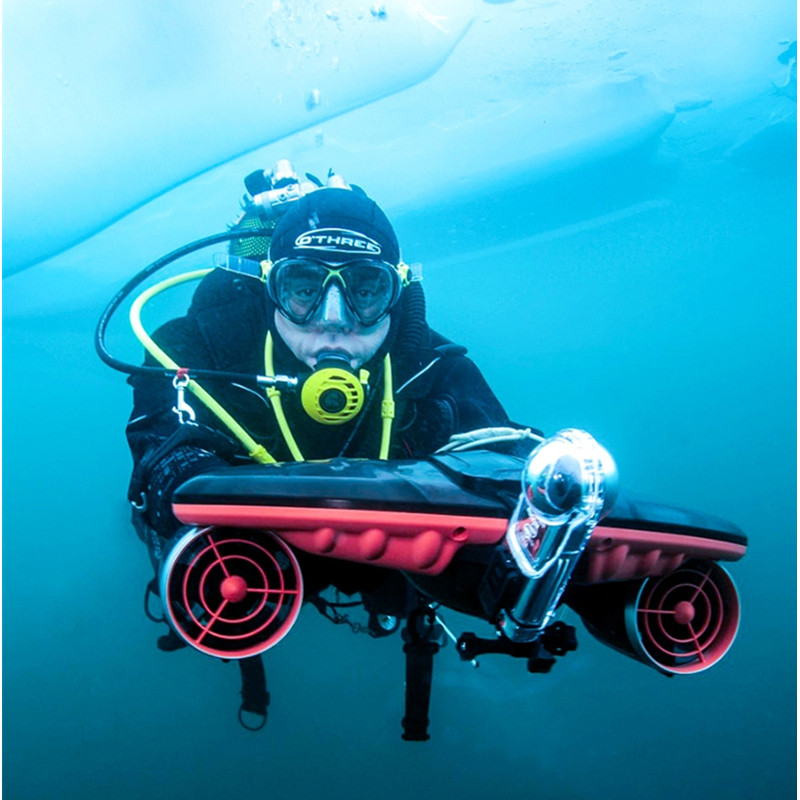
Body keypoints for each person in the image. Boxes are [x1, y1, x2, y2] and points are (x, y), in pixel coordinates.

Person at [126, 164, 519, 598]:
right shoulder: (196, 348)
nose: (333, 319)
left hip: (391, 567)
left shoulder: (432, 365)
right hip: (253, 568)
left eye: (365, 290)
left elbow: (506, 459)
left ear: (398, 297)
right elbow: (159, 455)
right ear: (269, 287)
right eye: (305, 288)